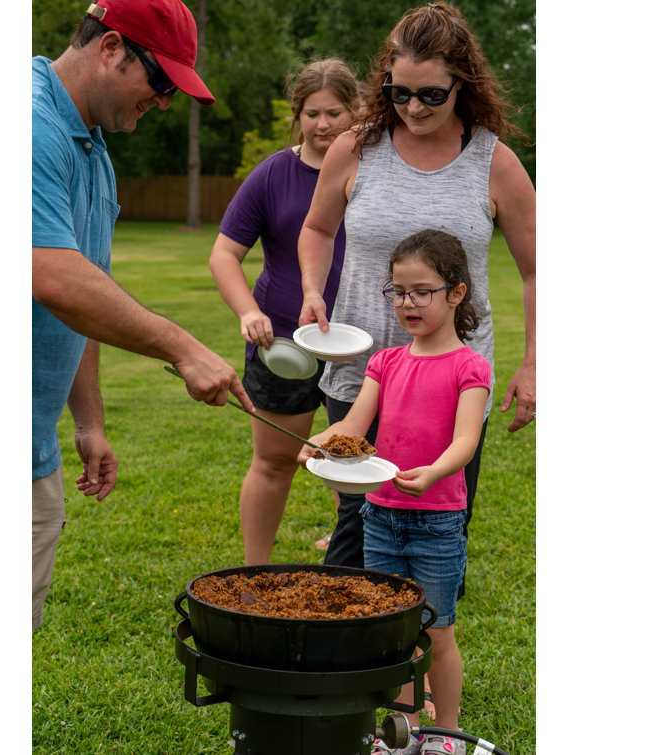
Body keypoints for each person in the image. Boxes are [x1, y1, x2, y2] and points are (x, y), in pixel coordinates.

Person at [32, 0, 254, 632]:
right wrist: (181, 346)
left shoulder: (91, 147)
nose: (161, 102)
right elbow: (51, 277)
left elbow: (89, 293)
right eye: (159, 83)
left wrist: (89, 421)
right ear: (110, 48)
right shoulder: (28, 124)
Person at [297, 3, 535, 590]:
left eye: (431, 94)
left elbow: (538, 271)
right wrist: (310, 287)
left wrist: (535, 363)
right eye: (399, 92)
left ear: (463, 84)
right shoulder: (356, 147)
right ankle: (352, 669)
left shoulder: (494, 162)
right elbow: (318, 229)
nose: (413, 107)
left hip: (449, 386)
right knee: (358, 528)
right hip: (362, 372)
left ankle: (416, 671)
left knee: (435, 528)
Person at [298, 229, 490, 755]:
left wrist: (431, 472)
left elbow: (466, 442)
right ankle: (405, 731)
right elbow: (355, 424)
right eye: (398, 292)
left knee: (438, 631)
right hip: (380, 515)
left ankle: (445, 733)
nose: (407, 303)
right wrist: (318, 441)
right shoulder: (385, 361)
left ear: (456, 292)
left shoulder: (470, 366)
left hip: (437, 522)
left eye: (421, 291)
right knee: (391, 630)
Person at [209, 59, 360, 564]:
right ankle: (255, 569)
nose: (323, 124)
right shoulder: (274, 173)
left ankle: (351, 554)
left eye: (335, 112)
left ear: (356, 111)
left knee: (355, 460)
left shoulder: (379, 170)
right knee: (275, 461)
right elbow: (224, 254)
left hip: (362, 346)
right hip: (284, 346)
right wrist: (248, 312)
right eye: (312, 113)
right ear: (297, 116)